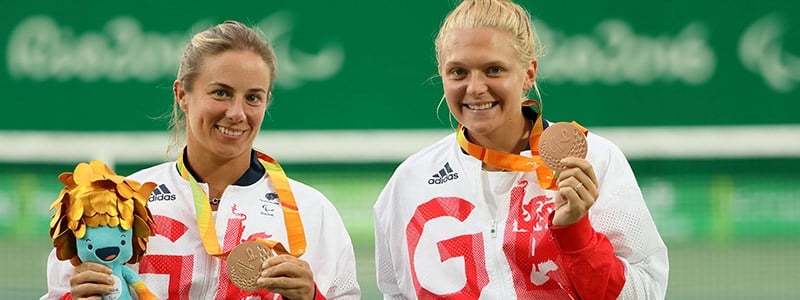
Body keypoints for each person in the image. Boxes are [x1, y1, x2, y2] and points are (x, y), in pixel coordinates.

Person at [42, 20, 360, 300]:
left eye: (253, 97)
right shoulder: (120, 201)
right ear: (182, 94)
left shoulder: (312, 213)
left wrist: (311, 297)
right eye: (221, 93)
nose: (236, 113)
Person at [373, 0, 668, 299]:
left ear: (529, 73)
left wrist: (578, 235)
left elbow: (646, 292)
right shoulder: (409, 183)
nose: (475, 87)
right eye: (458, 72)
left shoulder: (593, 161)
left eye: (494, 70)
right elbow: (395, 293)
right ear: (442, 75)